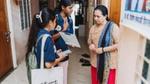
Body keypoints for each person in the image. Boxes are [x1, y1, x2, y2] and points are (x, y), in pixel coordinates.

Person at [26, 8, 65, 84]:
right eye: (55, 21)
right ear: (50, 22)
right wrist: (60, 58)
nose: (55, 23)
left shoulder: (38, 33)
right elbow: (48, 64)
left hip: (38, 69)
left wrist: (55, 52)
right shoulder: (47, 38)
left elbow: (42, 51)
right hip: (46, 75)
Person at [88, 5, 120, 84]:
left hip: (108, 64)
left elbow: (119, 44)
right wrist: (91, 45)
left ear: (105, 16)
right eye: (94, 16)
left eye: (98, 16)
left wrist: (103, 50)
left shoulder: (113, 27)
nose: (95, 18)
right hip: (95, 62)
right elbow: (89, 41)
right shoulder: (93, 28)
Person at [51, 0, 74, 84]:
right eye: (70, 8)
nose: (72, 10)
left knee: (64, 77)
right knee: (54, 78)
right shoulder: (55, 18)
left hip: (65, 52)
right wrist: (63, 31)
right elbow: (50, 37)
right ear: (63, 7)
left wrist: (72, 42)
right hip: (54, 53)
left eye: (72, 8)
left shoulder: (70, 19)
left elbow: (70, 35)